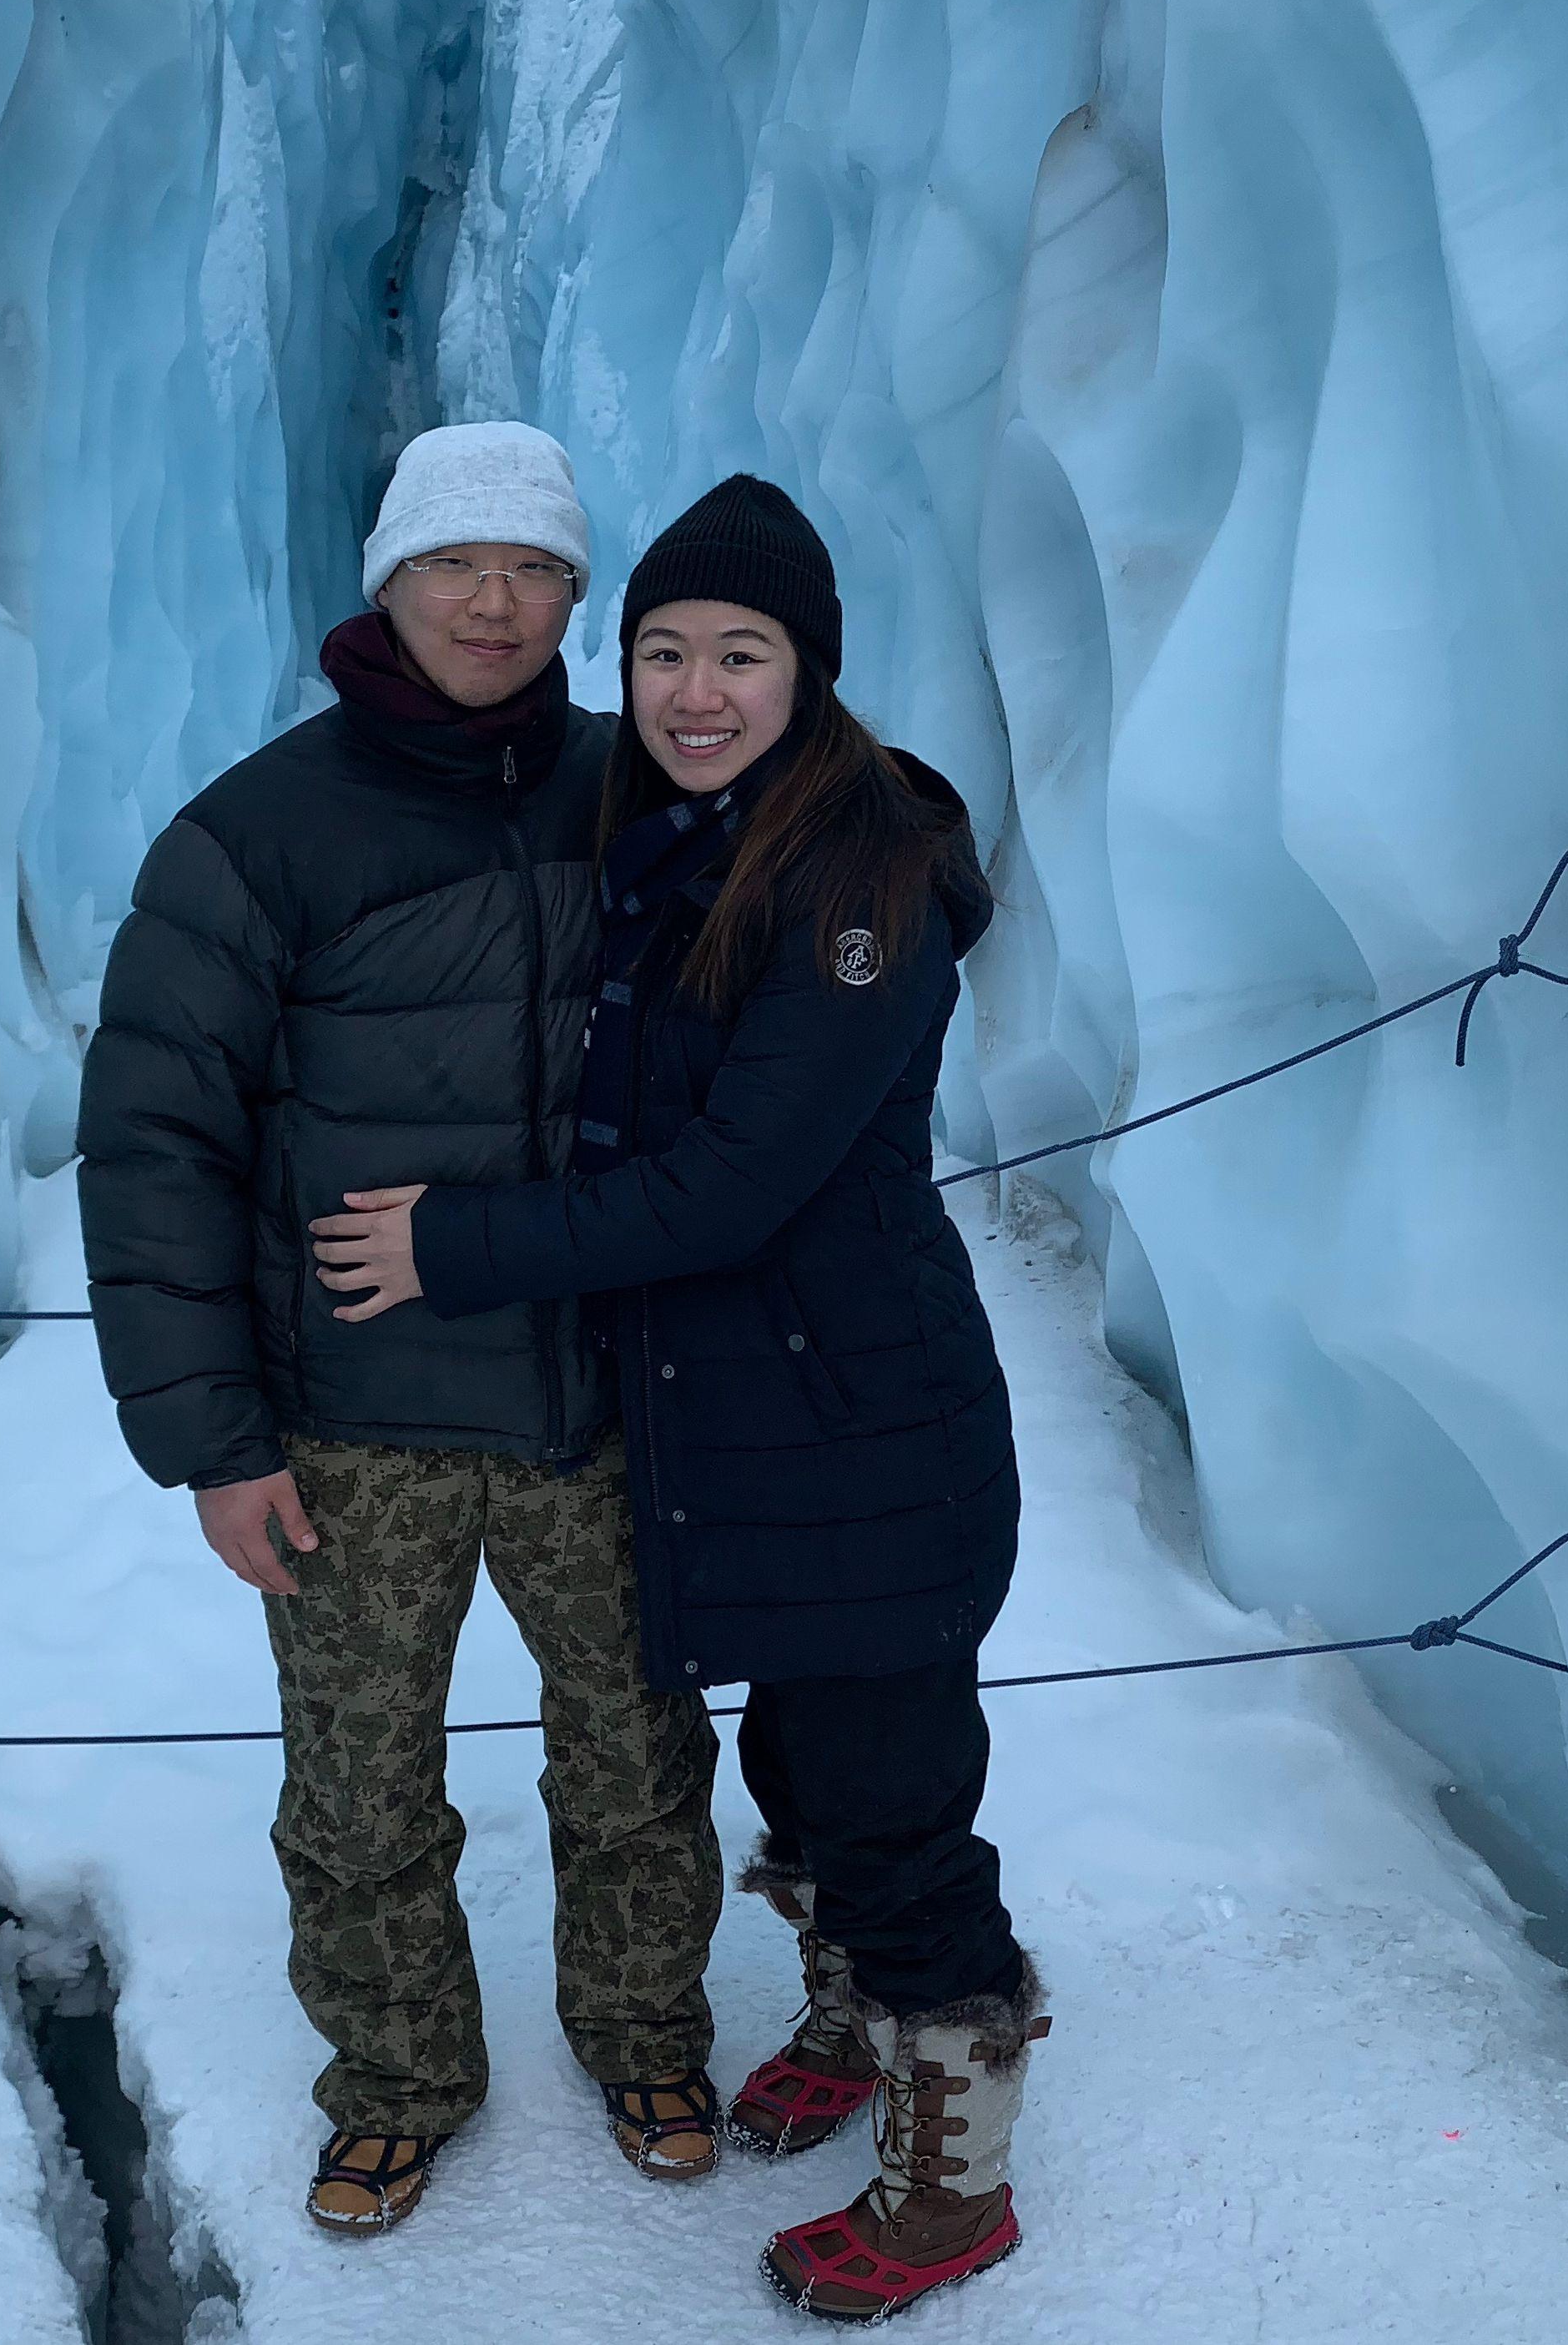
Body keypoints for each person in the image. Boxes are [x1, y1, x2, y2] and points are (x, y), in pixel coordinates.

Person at [310, 473, 1046, 2324]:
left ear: (811, 670)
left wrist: (456, 1243)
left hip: (862, 1428)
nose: (695, 691)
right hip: (756, 1423)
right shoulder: (691, 835)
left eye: (740, 653)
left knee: (890, 1805)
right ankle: (853, 2018)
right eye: (661, 652)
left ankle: (951, 2181)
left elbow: (734, 1183)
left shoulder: (859, 878)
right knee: (804, 1764)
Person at [74, 421, 727, 2239]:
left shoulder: (640, 792)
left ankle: (646, 2036)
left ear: (577, 597)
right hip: (354, 1417)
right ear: (390, 579)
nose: (493, 601)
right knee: (359, 1793)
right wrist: (214, 1443)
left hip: (598, 1398)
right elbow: (156, 1146)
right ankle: (397, 2082)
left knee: (639, 1762)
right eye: (456, 562)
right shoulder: (256, 834)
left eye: (535, 569)